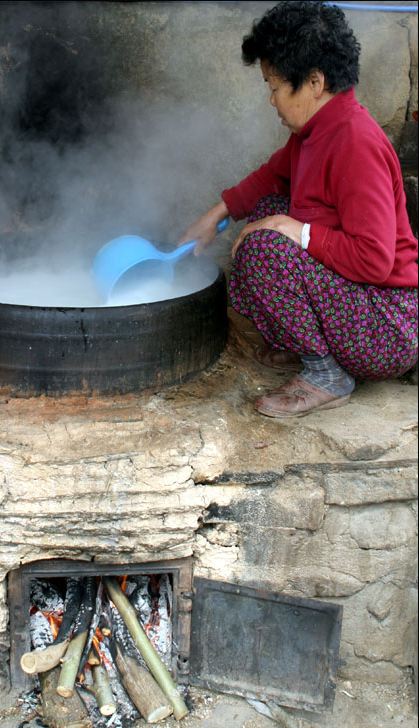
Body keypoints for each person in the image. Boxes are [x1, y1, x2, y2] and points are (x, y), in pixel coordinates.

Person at [179, 0, 418, 418]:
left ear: (314, 82)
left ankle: (328, 375)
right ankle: (319, 350)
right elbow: (272, 177)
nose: (271, 100)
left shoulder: (355, 143)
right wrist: (215, 215)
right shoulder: (316, 131)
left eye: (274, 87)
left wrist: (296, 230)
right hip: (362, 307)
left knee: (264, 249)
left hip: (389, 327)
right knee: (269, 211)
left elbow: (376, 260)